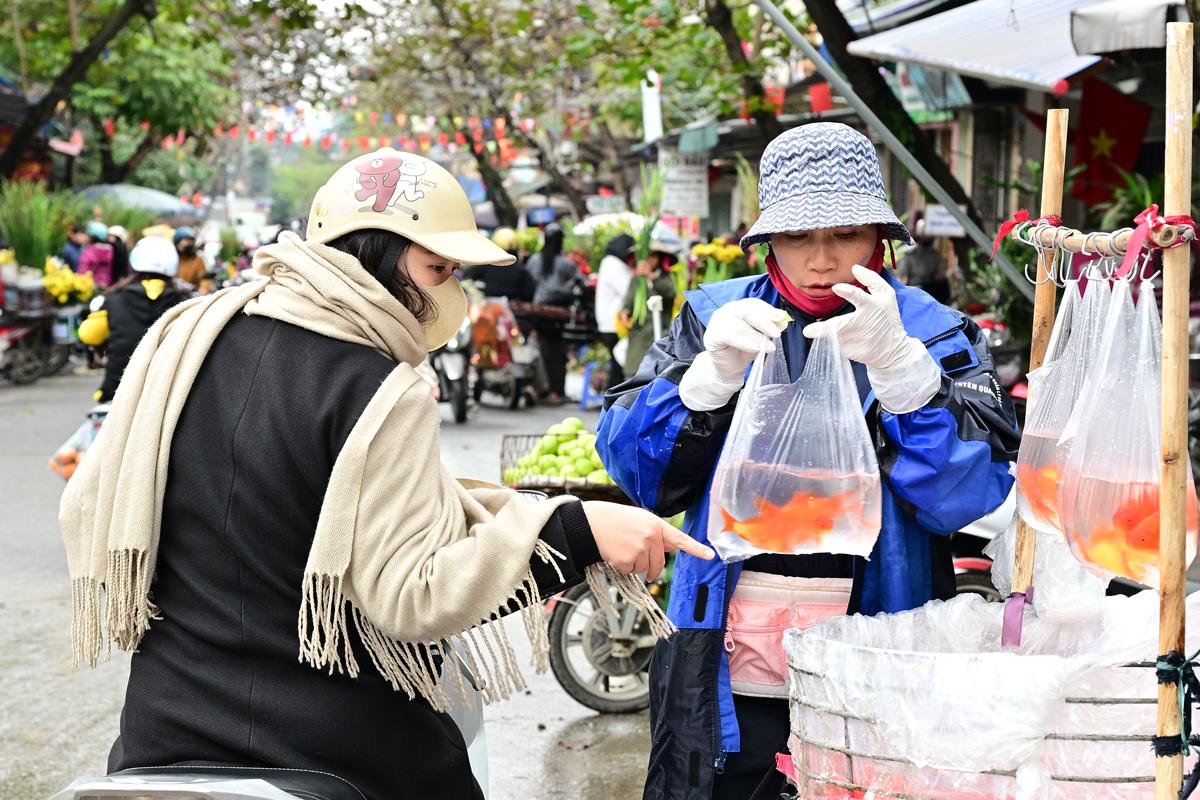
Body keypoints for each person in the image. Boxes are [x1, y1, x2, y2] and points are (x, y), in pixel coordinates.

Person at [59, 147, 714, 800]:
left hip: (162, 730)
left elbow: (94, 501)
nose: (449, 290)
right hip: (335, 746)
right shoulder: (378, 385)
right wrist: (577, 531)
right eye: (438, 266)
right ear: (379, 252)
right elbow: (413, 593)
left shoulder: (187, 333)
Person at [596, 123, 1020, 799]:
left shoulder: (934, 331)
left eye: (845, 233)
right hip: (726, 657)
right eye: (798, 236)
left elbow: (965, 498)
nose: (822, 259)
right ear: (768, 243)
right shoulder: (713, 317)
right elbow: (642, 475)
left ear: (879, 239)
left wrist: (907, 376)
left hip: (881, 648)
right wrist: (702, 384)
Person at [77, 236, 189, 402]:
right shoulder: (185, 304)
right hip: (169, 395)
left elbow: (88, 335)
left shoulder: (114, 299)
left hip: (117, 391)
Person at [526, 222, 577, 404]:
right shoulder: (567, 264)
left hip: (537, 311)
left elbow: (529, 283)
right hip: (558, 313)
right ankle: (557, 390)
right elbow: (578, 282)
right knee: (558, 352)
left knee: (541, 351)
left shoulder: (533, 260)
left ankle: (543, 389)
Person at [618, 243, 677, 377]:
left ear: (660, 258)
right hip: (639, 334)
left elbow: (670, 294)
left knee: (658, 373)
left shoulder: (666, 277)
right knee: (634, 374)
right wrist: (625, 312)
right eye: (645, 256)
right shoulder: (636, 279)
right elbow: (628, 301)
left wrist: (651, 276)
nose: (648, 259)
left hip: (660, 333)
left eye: (653, 255)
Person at [595, 233, 635, 385]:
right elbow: (628, 289)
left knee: (617, 364)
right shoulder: (613, 264)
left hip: (609, 323)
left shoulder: (610, 262)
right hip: (613, 324)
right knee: (618, 364)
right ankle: (614, 401)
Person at [462, 227, 535, 301]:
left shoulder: (487, 265)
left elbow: (465, 278)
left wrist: (475, 296)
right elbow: (529, 294)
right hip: (514, 309)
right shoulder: (521, 270)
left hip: (489, 309)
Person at [898, 218, 951, 303]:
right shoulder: (910, 254)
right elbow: (904, 279)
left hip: (931, 292)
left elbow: (940, 276)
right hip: (915, 291)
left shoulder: (935, 255)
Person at [77, 221, 115, 289]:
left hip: (90, 290)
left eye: (86, 234)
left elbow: (81, 275)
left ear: (91, 237)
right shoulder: (111, 251)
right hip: (107, 290)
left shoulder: (88, 253)